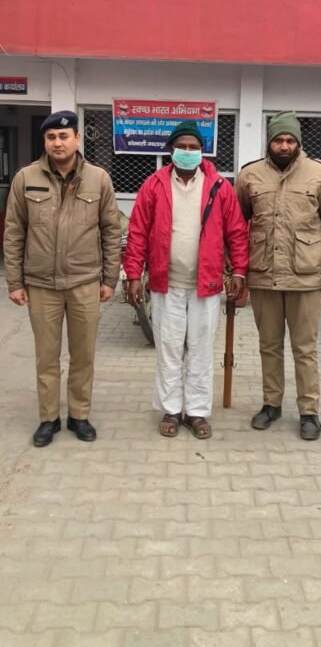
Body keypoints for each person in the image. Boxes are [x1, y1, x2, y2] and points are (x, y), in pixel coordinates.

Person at [124, 121, 248, 439]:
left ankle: (197, 412)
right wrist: (134, 274)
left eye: (194, 147)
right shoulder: (154, 185)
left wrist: (238, 271)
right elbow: (137, 232)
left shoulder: (219, 186)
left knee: (200, 349)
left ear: (203, 151)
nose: (188, 152)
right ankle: (171, 409)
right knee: (168, 348)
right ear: (171, 150)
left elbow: (236, 232)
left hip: (206, 285)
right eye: (183, 147)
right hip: (166, 283)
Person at [4, 110, 121, 447]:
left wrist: (109, 278)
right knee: (47, 356)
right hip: (42, 285)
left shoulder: (98, 179)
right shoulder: (26, 178)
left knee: (83, 356)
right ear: (44, 141)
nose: (58, 143)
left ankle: (79, 415)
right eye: (51, 137)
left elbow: (111, 231)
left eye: (64, 136)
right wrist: (15, 282)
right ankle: (49, 418)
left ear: (77, 139)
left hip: (85, 282)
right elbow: (14, 232)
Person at [236, 110, 321, 441]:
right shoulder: (249, 176)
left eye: (290, 140)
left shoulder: (320, 175)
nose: (284, 146)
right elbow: (236, 224)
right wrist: (236, 270)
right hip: (264, 276)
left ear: (298, 142)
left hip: (305, 277)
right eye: (278, 140)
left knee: (305, 349)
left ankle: (309, 412)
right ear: (269, 142)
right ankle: (271, 404)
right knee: (269, 346)